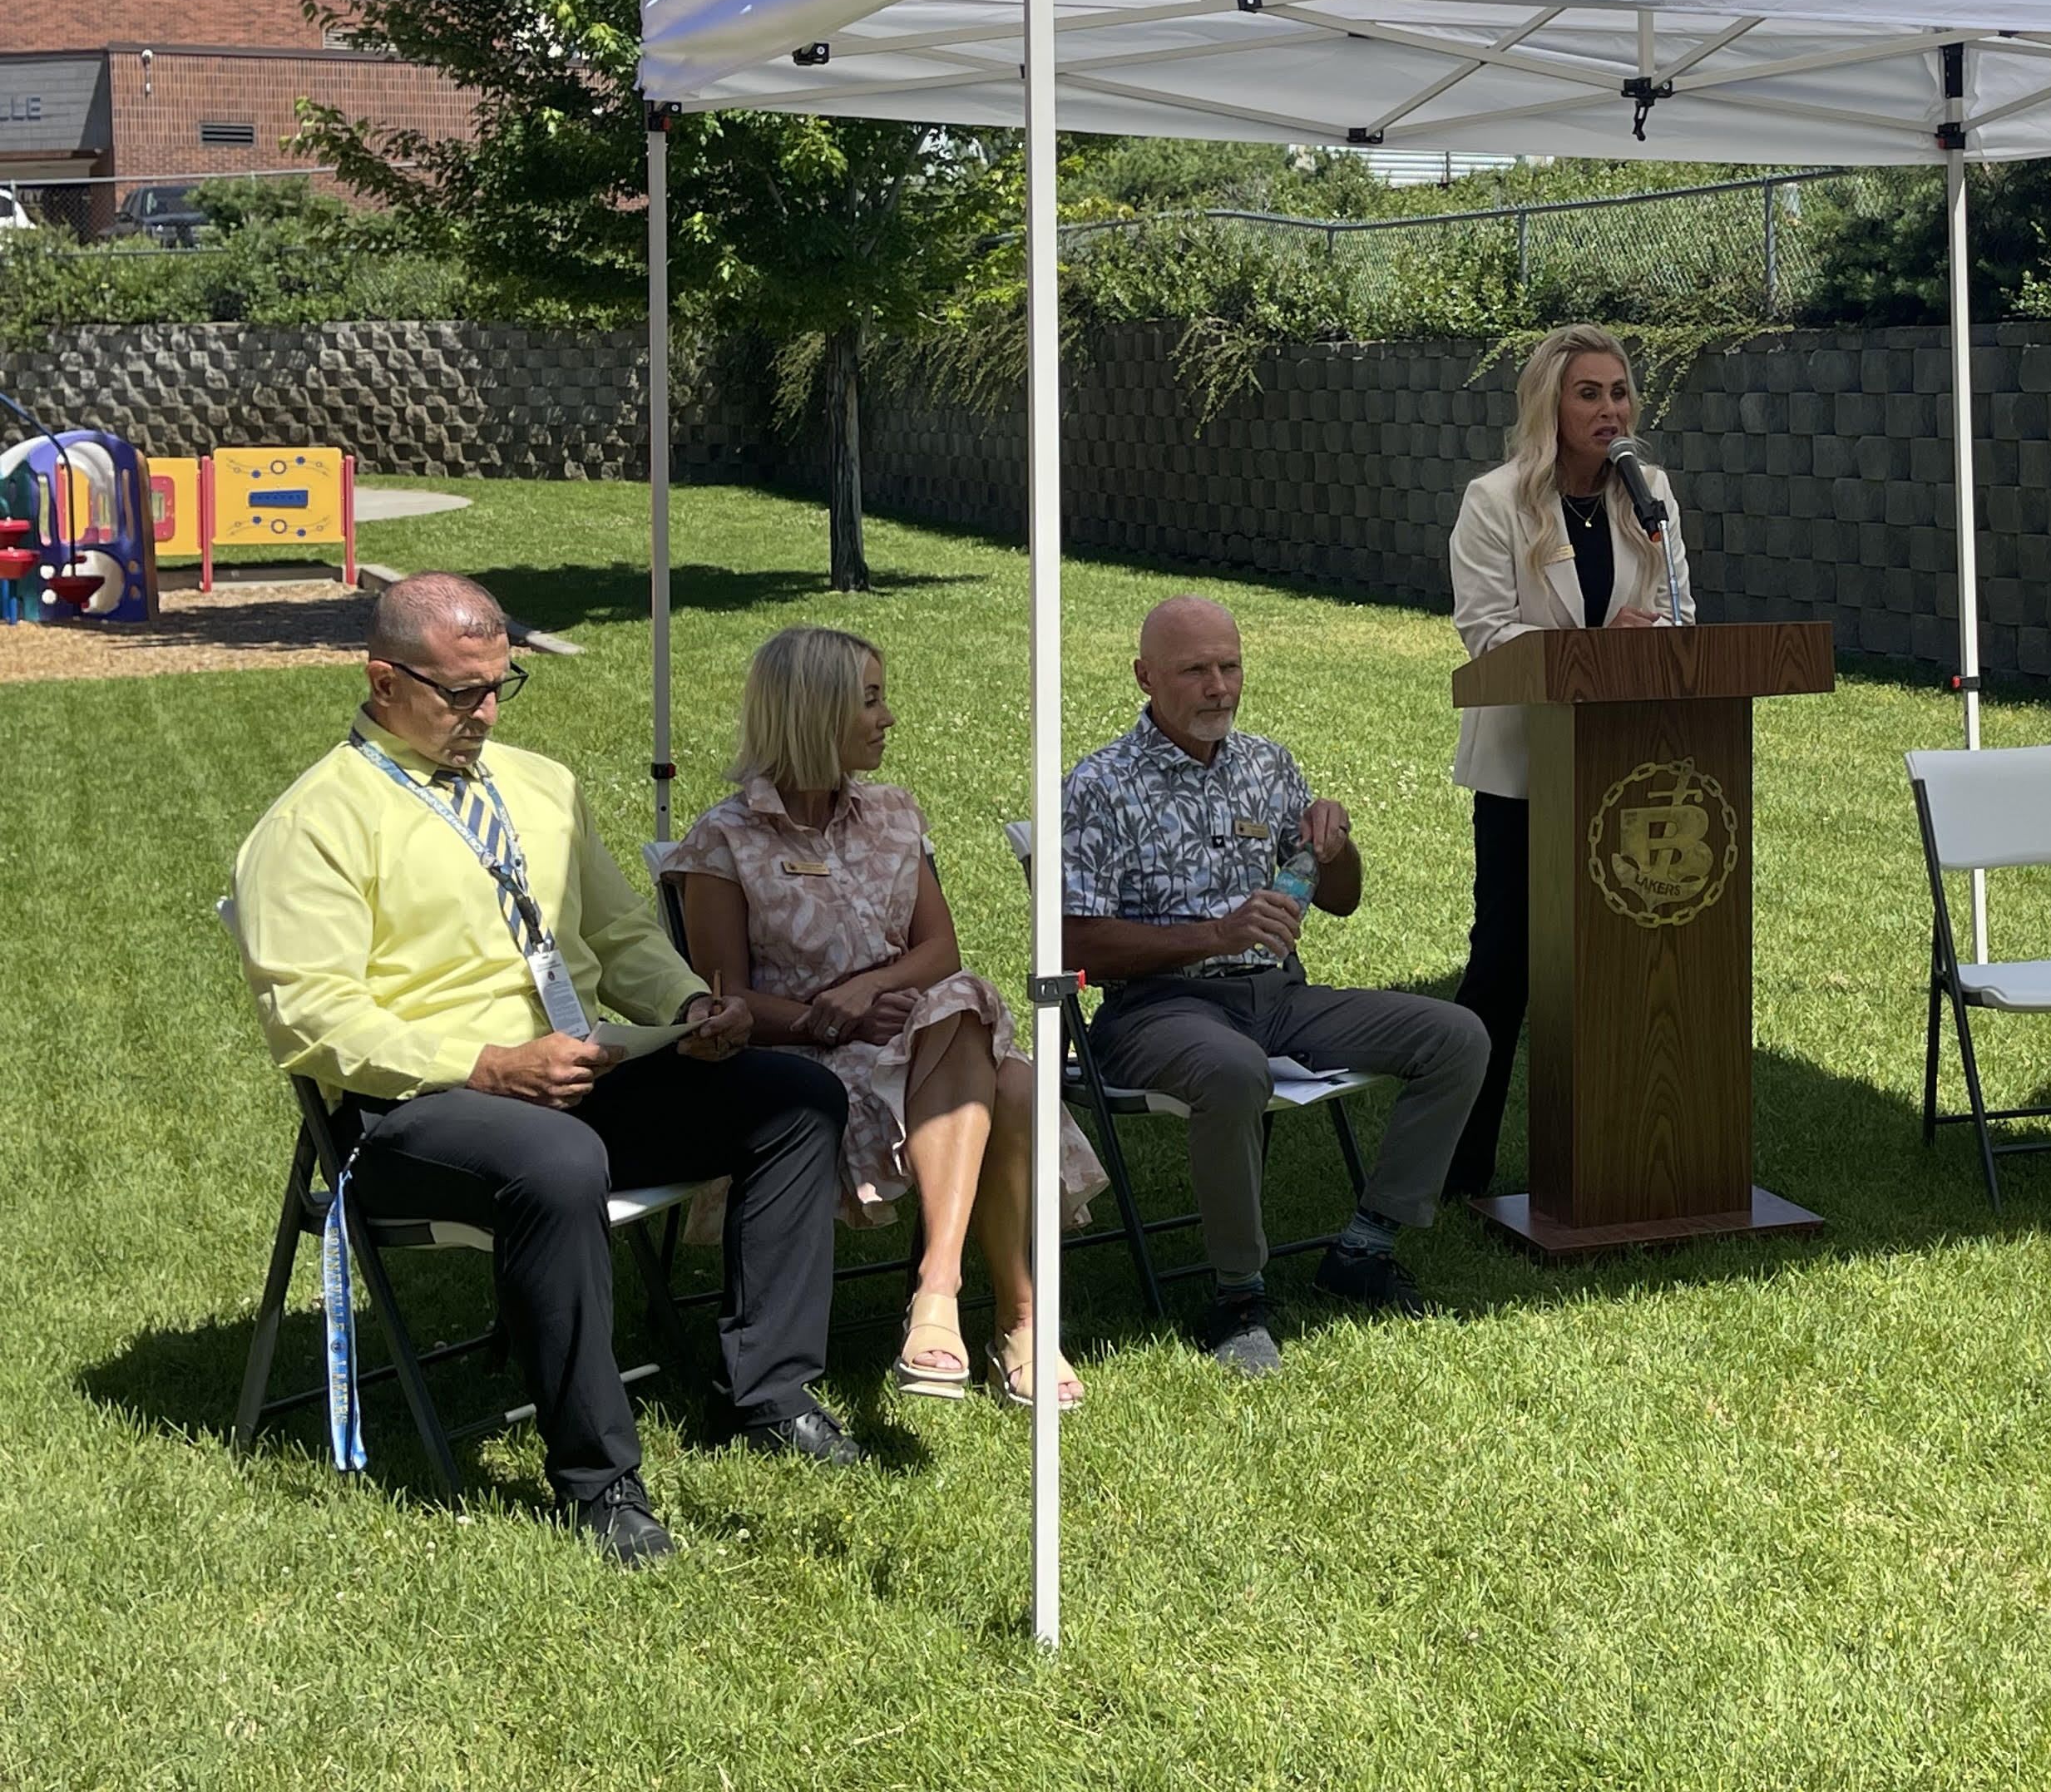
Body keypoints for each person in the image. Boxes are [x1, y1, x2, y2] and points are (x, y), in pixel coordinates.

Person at [233, 573, 854, 1567]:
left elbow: (618, 933)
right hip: (414, 1109)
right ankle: (600, 1482)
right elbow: (315, 1019)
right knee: (558, 1161)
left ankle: (767, 1395)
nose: (485, 713)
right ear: (384, 682)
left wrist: (688, 1007)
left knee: (797, 1099)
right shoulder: (315, 824)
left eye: (499, 687)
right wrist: (485, 1065)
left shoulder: (541, 786)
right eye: (460, 693)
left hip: (574, 1074)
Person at [663, 627, 1105, 1412]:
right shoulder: (724, 840)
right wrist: (824, 1021)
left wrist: (872, 990)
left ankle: (942, 1288)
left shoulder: (896, 814)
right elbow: (719, 999)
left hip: (919, 1035)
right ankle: (1017, 1322)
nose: (888, 717)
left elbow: (940, 951)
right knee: (1012, 1083)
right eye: (870, 701)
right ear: (815, 711)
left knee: (963, 1006)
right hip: (807, 1066)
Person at [1060, 595, 1490, 1375]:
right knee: (1233, 1071)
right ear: (1145, 677)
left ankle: (1365, 1247)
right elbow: (1071, 942)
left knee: (1456, 1036)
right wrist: (1214, 935)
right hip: (1157, 1009)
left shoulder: (1268, 765)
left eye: (1230, 666)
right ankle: (1238, 1297)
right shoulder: (1100, 786)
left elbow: (1342, 899)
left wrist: (1336, 843)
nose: (1219, 686)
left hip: (1278, 997)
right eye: (1195, 670)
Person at [1440, 325, 1693, 1199]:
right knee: (1505, 962)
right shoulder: (1494, 501)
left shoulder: (1649, 494)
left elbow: (1677, 613)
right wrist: (1595, 647)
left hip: (1631, 770)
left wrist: (1648, 642)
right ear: (1550, 404)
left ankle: (1627, 1153)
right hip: (1527, 770)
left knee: (1628, 957)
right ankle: (1460, 1166)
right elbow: (1486, 635)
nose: (1610, 409)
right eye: (1590, 393)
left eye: (1620, 392)